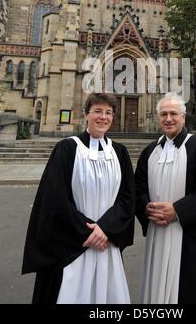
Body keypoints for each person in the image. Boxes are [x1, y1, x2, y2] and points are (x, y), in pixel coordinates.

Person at [22, 92, 135, 304]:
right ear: (86, 115)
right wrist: (87, 231)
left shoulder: (119, 152)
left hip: (106, 242)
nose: (103, 117)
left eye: (108, 112)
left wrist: (106, 229)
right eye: (98, 111)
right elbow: (55, 198)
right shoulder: (67, 148)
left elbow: (127, 198)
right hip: (74, 241)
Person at [135, 92, 196, 304]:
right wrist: (146, 207)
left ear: (183, 117)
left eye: (173, 114)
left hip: (190, 236)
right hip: (157, 233)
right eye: (164, 114)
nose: (168, 118)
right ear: (158, 117)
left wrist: (177, 211)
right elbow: (138, 187)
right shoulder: (150, 151)